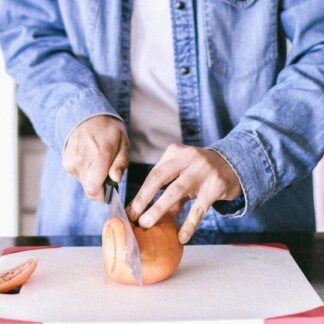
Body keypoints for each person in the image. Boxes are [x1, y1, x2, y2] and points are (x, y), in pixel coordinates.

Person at [0, 0, 323, 243]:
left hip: (250, 213)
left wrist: (244, 157)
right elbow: (28, 33)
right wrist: (75, 111)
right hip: (86, 217)